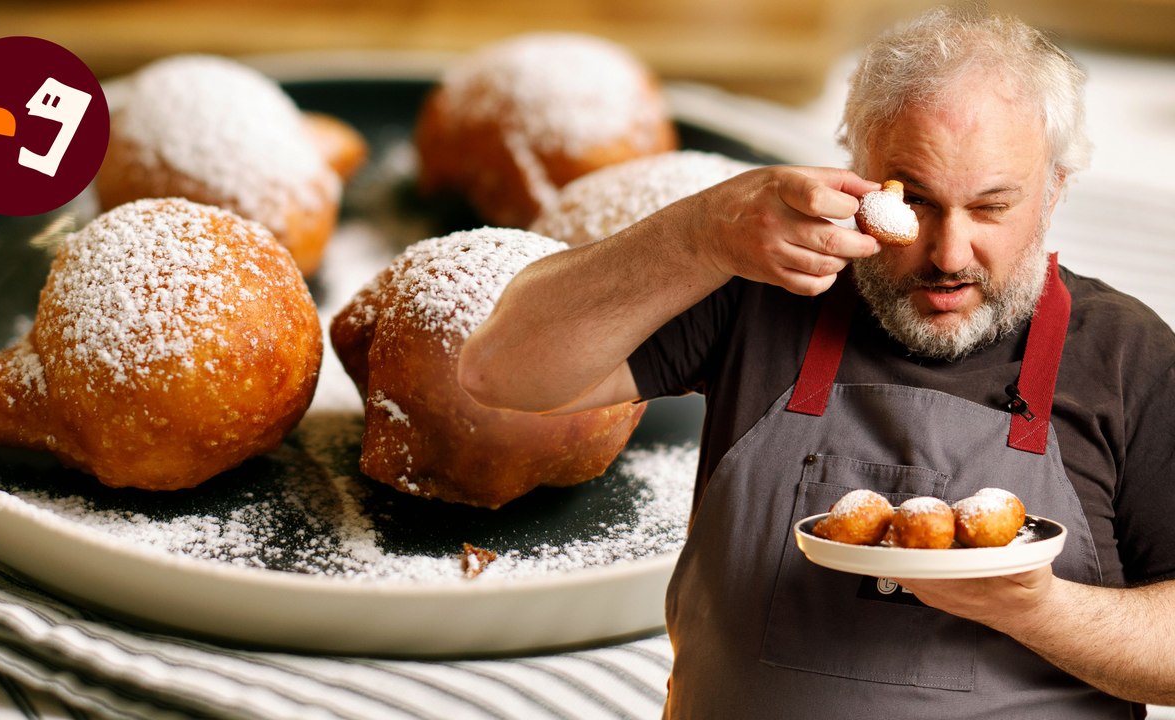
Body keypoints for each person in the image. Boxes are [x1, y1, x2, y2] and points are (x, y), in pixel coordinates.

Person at [457, 6, 1175, 718]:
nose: (949, 255)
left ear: (1054, 188)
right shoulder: (768, 290)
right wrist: (699, 233)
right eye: (916, 201)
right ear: (858, 173)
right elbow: (500, 372)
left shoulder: (1127, 356)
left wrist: (1033, 607)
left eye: (991, 208)